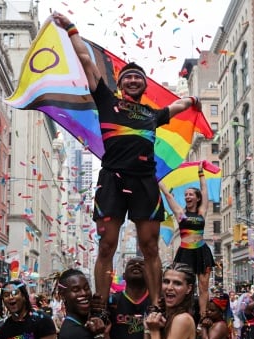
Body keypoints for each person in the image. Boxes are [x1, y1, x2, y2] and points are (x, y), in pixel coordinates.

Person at [52, 12, 202, 309]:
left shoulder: (152, 115)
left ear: (144, 86)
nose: (133, 79)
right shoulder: (107, 100)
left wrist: (194, 101)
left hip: (146, 183)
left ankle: (157, 303)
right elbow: (86, 60)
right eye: (128, 77)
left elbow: (178, 105)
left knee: (150, 248)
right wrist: (71, 29)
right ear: (120, 84)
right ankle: (101, 304)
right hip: (112, 180)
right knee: (106, 246)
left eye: (138, 77)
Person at [159, 162, 215, 316]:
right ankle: (184, 315)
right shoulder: (180, 214)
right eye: (186, 195)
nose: (187, 196)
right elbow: (168, 195)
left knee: (203, 287)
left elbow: (205, 191)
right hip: (185, 253)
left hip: (202, 251)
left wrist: (201, 174)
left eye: (190, 194)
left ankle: (203, 317)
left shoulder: (202, 212)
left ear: (197, 198)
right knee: (184, 286)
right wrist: (158, 178)